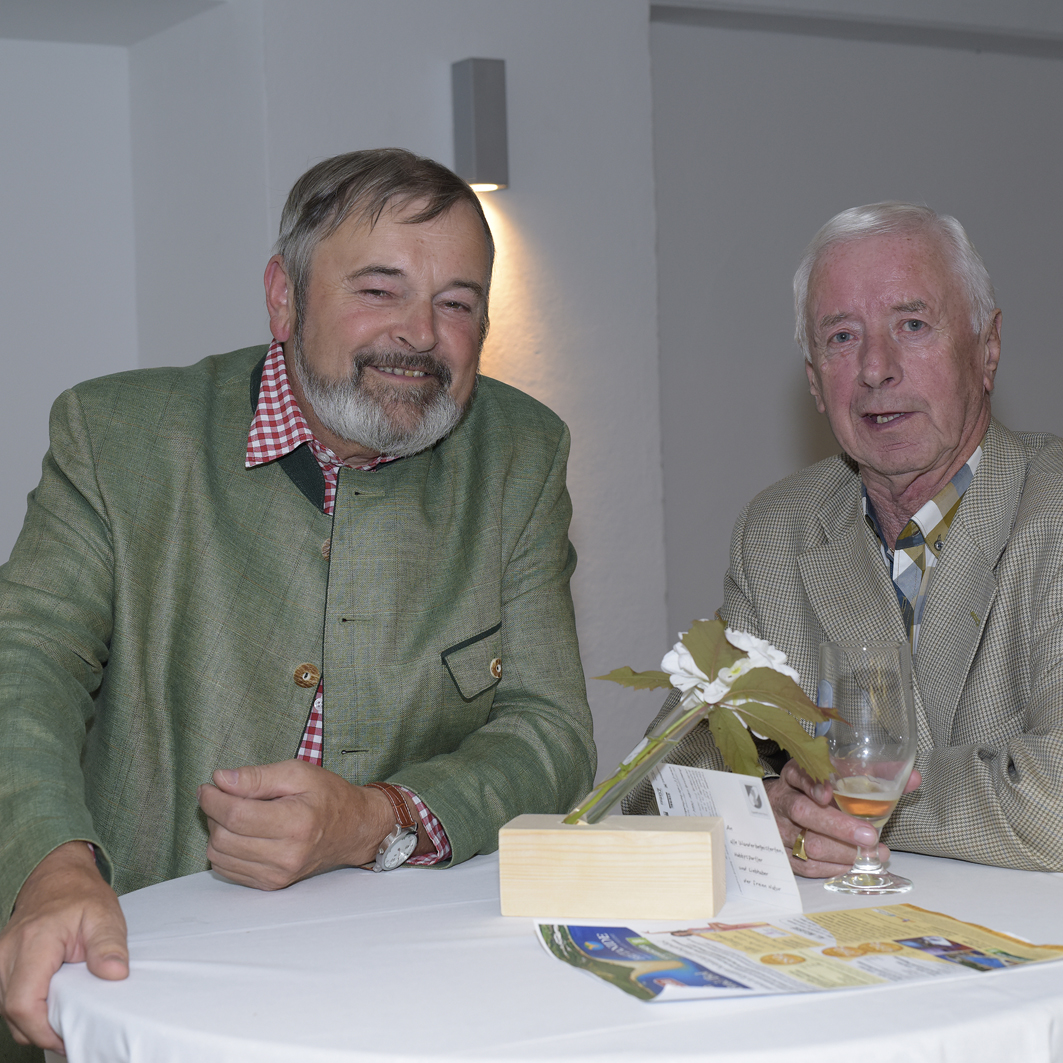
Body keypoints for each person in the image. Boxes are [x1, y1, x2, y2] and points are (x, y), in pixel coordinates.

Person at [0, 148, 595, 1057]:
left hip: (413, 988)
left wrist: (379, 817)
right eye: (379, 290)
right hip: (138, 966)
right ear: (284, 298)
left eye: (456, 303)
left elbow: (549, 729)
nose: (419, 334)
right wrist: (50, 865)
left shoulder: (522, 454)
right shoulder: (116, 436)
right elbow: (25, 664)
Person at [629, 202, 1063, 880]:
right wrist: (765, 811)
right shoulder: (778, 535)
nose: (875, 368)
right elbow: (655, 786)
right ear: (813, 380)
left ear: (987, 348)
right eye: (841, 337)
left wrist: (839, 808)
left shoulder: (1052, 512)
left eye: (912, 325)